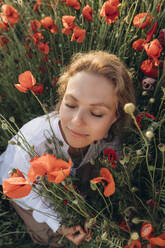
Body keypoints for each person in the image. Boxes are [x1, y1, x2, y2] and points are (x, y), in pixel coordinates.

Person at [0, 51, 135, 247]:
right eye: (70, 104)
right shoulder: (33, 144)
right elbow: (28, 192)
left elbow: (117, 171)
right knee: (53, 238)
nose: (77, 121)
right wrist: (59, 224)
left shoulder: (109, 138)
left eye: (96, 113)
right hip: (24, 187)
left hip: (73, 172)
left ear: (115, 117)